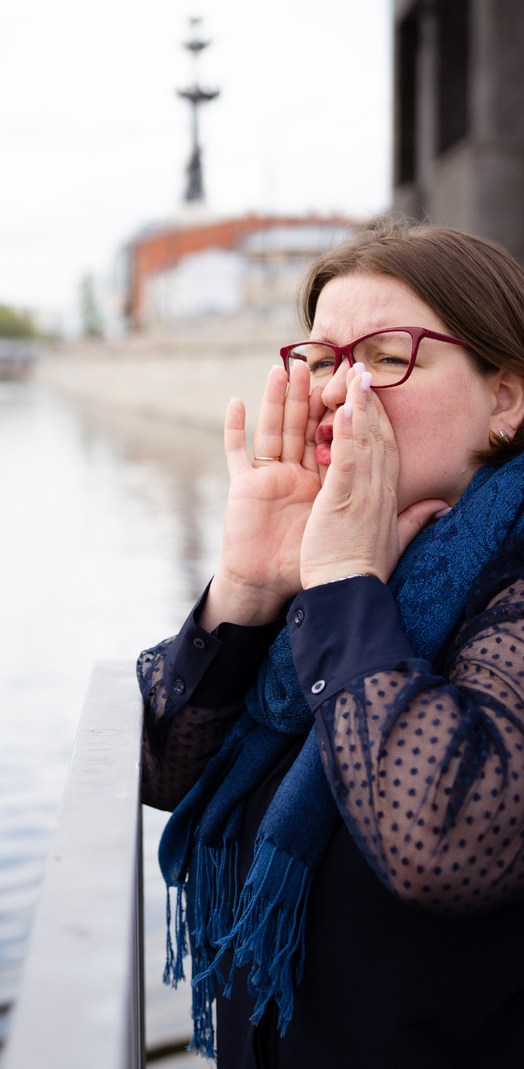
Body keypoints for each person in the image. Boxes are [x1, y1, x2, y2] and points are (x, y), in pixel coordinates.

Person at [137, 220, 524, 1069]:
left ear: (505, 397)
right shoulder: (326, 560)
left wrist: (349, 583)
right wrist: (247, 582)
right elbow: (160, 770)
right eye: (319, 360)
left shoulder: (496, 573)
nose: (340, 391)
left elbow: (449, 841)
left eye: (387, 356)